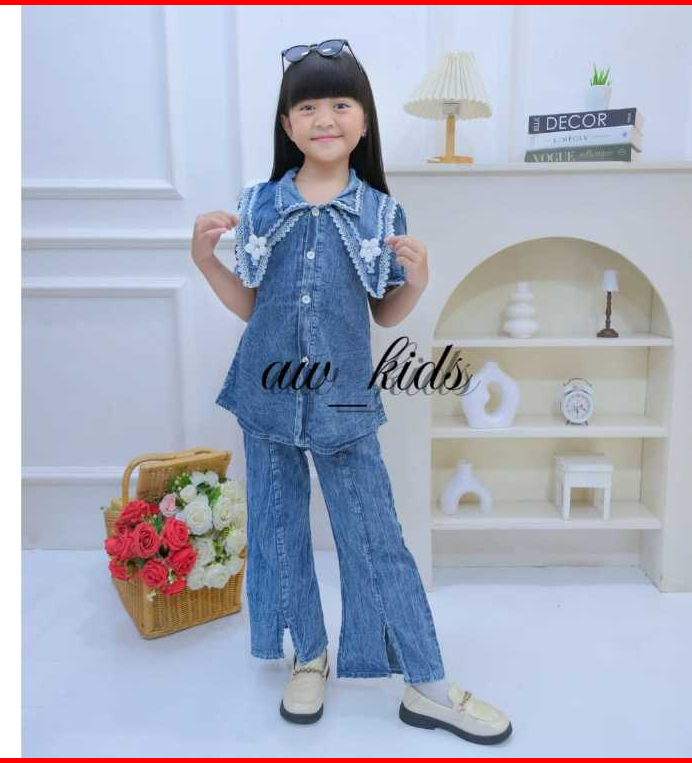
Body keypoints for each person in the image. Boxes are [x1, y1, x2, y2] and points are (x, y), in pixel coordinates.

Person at [190, 39, 512, 746]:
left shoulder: (380, 214)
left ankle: (425, 683)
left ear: (364, 122)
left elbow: (385, 314)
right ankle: (308, 655)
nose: (324, 118)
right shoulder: (260, 206)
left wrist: (417, 283)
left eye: (340, 103)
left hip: (343, 405)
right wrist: (205, 262)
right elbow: (252, 306)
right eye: (306, 106)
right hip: (265, 397)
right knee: (278, 531)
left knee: (375, 537)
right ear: (287, 124)